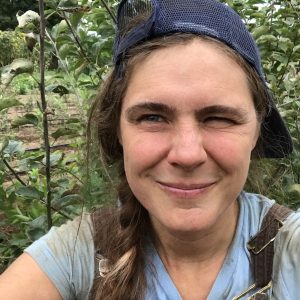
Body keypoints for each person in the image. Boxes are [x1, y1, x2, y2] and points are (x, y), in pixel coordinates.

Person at [0, 0, 299, 299]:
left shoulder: (291, 249)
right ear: (118, 129)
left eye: (219, 118)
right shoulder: (75, 255)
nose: (187, 154)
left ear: (257, 129)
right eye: (152, 117)